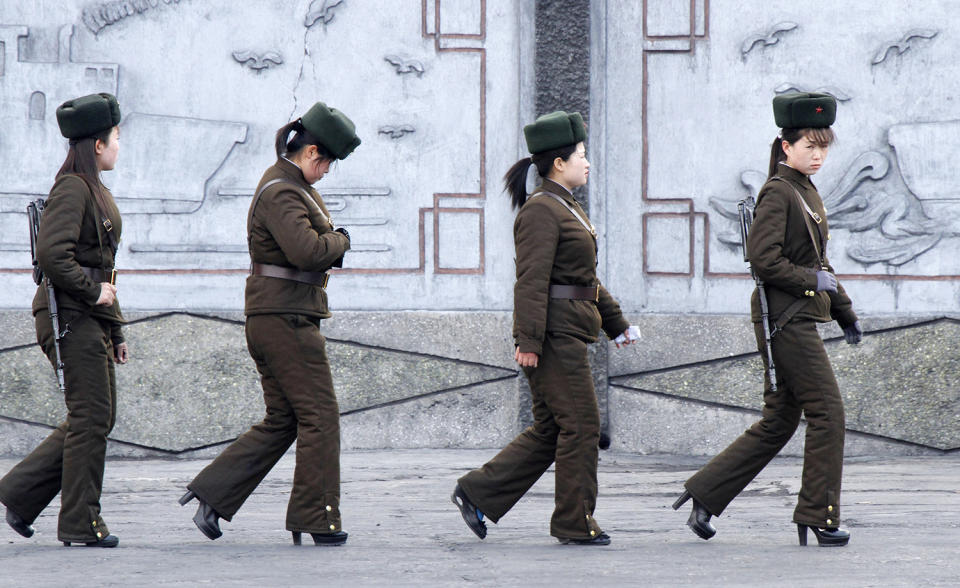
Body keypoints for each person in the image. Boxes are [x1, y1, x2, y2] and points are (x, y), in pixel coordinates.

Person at [673, 92, 861, 547]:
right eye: (809, 145)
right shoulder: (779, 191)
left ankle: (705, 495)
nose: (818, 155)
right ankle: (820, 513)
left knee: (778, 422)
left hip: (795, 316)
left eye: (824, 146)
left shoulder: (805, 190)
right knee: (828, 413)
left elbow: (820, 263)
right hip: (785, 322)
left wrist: (845, 311)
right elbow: (764, 259)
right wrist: (814, 283)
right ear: (785, 146)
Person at [451, 110, 641, 546]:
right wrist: (528, 340)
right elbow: (532, 281)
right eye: (580, 154)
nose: (587, 161)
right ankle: (575, 521)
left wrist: (616, 323)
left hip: (567, 329)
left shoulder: (564, 206)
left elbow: (583, 278)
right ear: (559, 163)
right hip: (554, 336)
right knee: (582, 425)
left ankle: (477, 491)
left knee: (554, 427)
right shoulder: (542, 211)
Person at [178, 101, 359, 546]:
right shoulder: (282, 190)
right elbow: (308, 251)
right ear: (312, 152)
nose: (327, 172)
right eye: (327, 163)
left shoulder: (290, 186)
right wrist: (342, 240)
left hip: (280, 314)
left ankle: (212, 495)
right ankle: (317, 516)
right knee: (320, 415)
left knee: (284, 419)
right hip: (285, 318)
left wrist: (329, 242)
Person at [0, 93, 127, 548]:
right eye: (115, 137)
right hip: (68, 316)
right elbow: (54, 257)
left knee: (96, 416)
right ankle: (79, 521)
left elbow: (100, 262)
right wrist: (95, 294)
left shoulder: (92, 187)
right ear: (97, 144)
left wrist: (114, 328)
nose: (118, 144)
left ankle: (19, 492)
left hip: (88, 315)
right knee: (91, 416)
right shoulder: (73, 187)